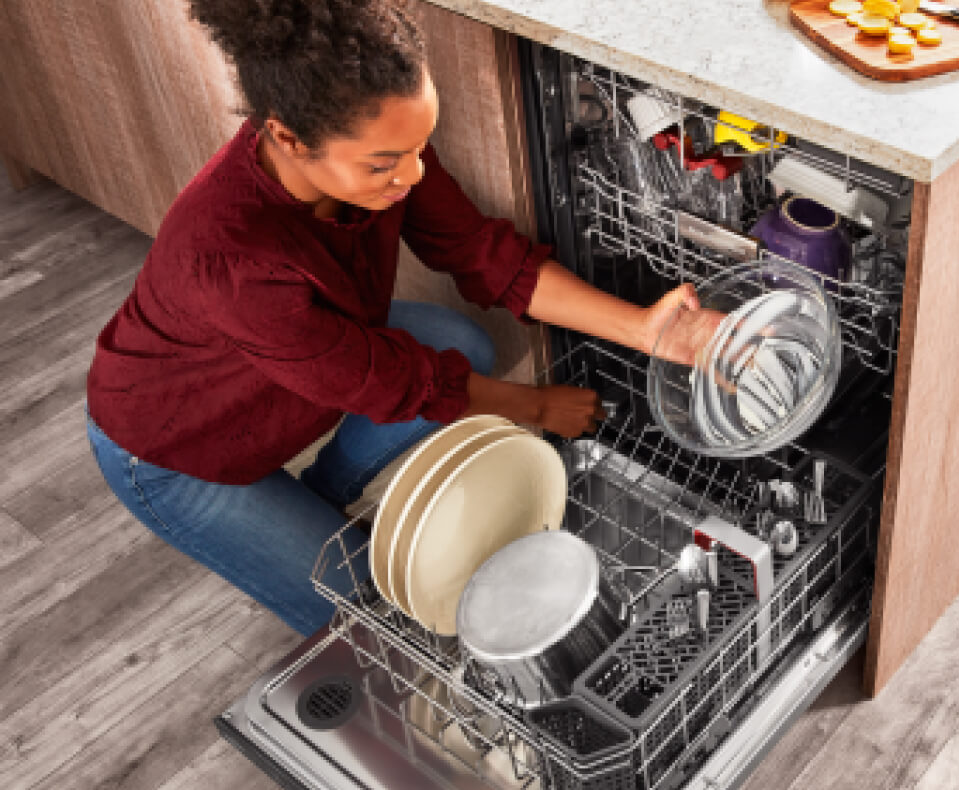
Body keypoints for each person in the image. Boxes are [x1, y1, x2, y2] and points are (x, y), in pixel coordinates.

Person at [84, 0, 715, 635]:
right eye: (384, 163)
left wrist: (644, 329)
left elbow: (482, 253)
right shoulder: (232, 258)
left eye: (418, 148)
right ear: (286, 138)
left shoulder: (376, 147)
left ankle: (318, 499)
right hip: (173, 443)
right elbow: (395, 383)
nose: (411, 175)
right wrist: (536, 406)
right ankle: (304, 524)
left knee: (458, 344)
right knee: (369, 614)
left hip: (292, 370)